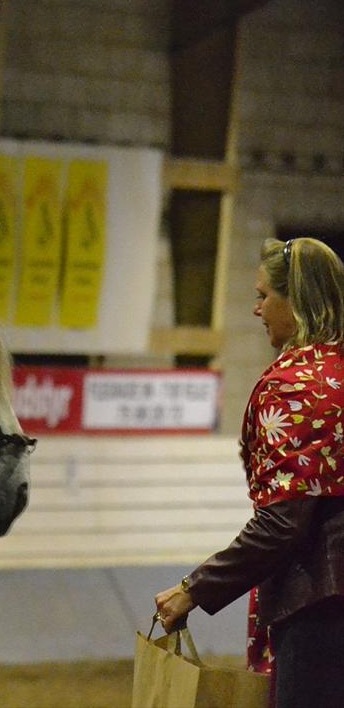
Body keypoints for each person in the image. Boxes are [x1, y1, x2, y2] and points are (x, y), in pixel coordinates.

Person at [153, 236, 344, 708]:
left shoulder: (296, 386)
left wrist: (191, 590)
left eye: (263, 296)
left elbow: (285, 521)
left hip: (321, 606)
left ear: (296, 301)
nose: (257, 310)